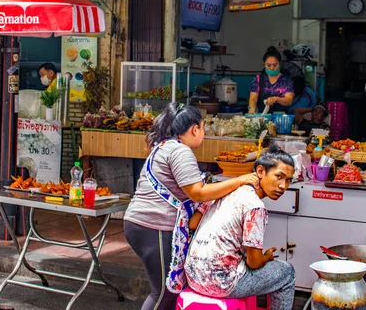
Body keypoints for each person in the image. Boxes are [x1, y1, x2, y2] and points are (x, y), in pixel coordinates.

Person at [124, 102, 260, 310]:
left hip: (143, 224)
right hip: (154, 225)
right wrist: (240, 181)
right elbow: (198, 193)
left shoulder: (165, 146)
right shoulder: (179, 151)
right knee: (164, 292)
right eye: (203, 128)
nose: (203, 133)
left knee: (167, 291)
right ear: (195, 129)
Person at [184, 145, 296, 310]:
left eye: (288, 180)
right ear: (260, 172)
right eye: (279, 176)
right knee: (287, 272)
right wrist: (266, 257)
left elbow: (193, 223)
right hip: (220, 284)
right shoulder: (255, 207)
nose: (283, 186)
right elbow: (254, 262)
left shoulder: (225, 189)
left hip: (193, 276)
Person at [248, 46, 295, 114]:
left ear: (279, 64)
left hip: (280, 117)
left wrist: (276, 99)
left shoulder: (286, 80)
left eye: (275, 65)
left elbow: (289, 100)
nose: (272, 68)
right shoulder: (258, 79)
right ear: (264, 64)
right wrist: (252, 109)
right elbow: (253, 98)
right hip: (262, 116)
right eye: (268, 65)